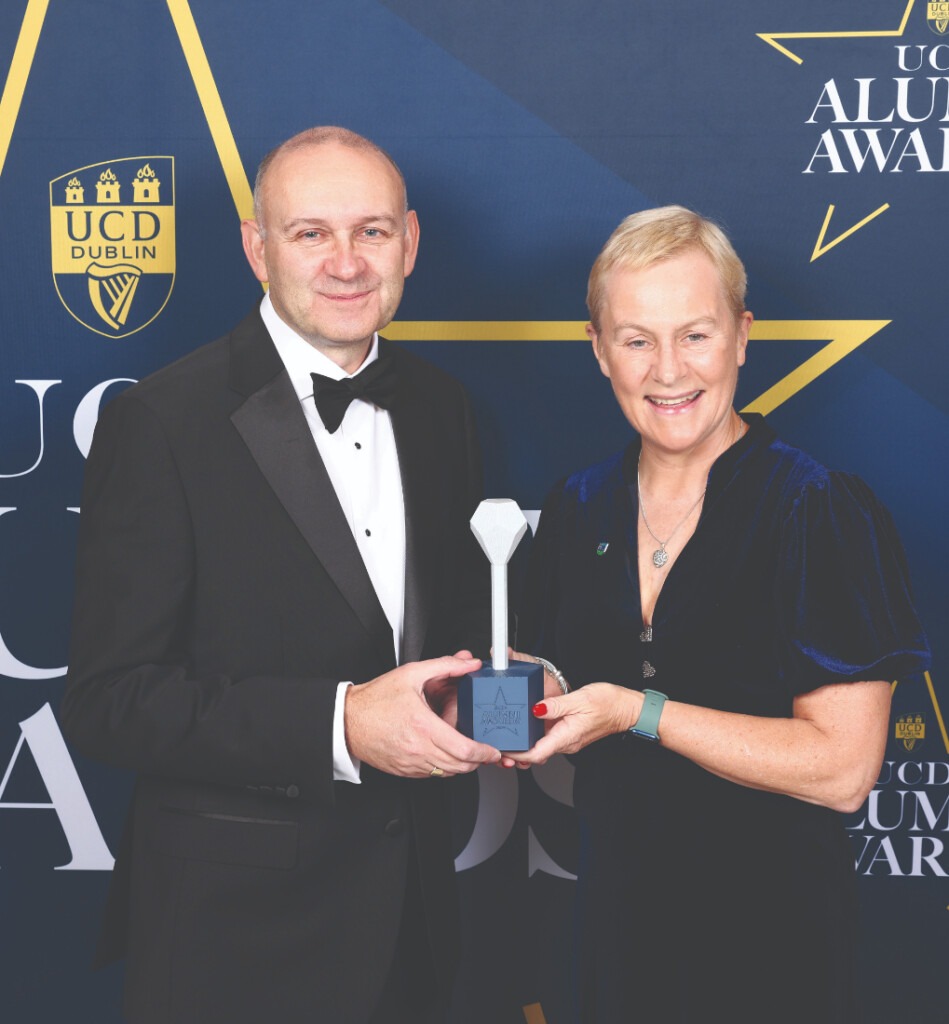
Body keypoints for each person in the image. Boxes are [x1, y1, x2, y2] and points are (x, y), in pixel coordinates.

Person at [61, 126, 503, 1024]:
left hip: (411, 929)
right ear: (257, 249)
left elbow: (444, 640)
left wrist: (508, 697)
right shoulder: (161, 422)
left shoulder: (442, 407)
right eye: (310, 234)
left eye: (371, 232)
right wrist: (339, 723)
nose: (346, 262)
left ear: (409, 243)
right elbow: (110, 699)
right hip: (233, 944)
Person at [510, 206, 930, 1023]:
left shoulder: (812, 507)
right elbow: (557, 680)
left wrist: (637, 712)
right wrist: (506, 698)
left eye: (694, 335)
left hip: (769, 948)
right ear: (598, 350)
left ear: (741, 335)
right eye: (636, 340)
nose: (667, 370)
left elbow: (843, 772)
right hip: (611, 939)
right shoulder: (578, 505)